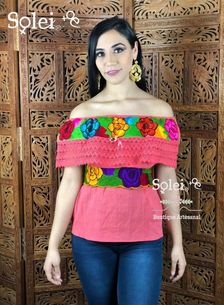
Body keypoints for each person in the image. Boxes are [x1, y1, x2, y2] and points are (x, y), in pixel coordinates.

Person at [44, 15, 187, 305]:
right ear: (94, 60)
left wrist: (178, 243)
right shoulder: (83, 115)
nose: (109, 60)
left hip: (144, 237)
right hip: (90, 237)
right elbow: (70, 183)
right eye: (100, 52)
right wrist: (52, 246)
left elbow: (168, 182)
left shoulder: (160, 113)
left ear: (134, 50)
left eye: (118, 49)